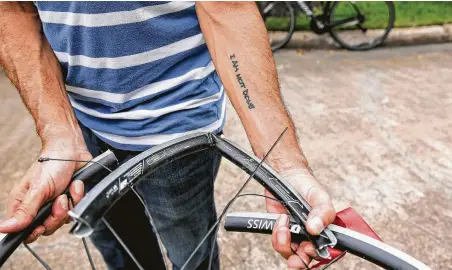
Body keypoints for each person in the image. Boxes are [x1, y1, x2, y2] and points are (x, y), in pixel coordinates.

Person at [0, 2, 335, 269]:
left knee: (188, 251)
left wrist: (284, 166)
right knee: (117, 244)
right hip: (83, 121)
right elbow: (13, 9)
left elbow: (225, 8)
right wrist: (60, 135)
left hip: (179, 131)